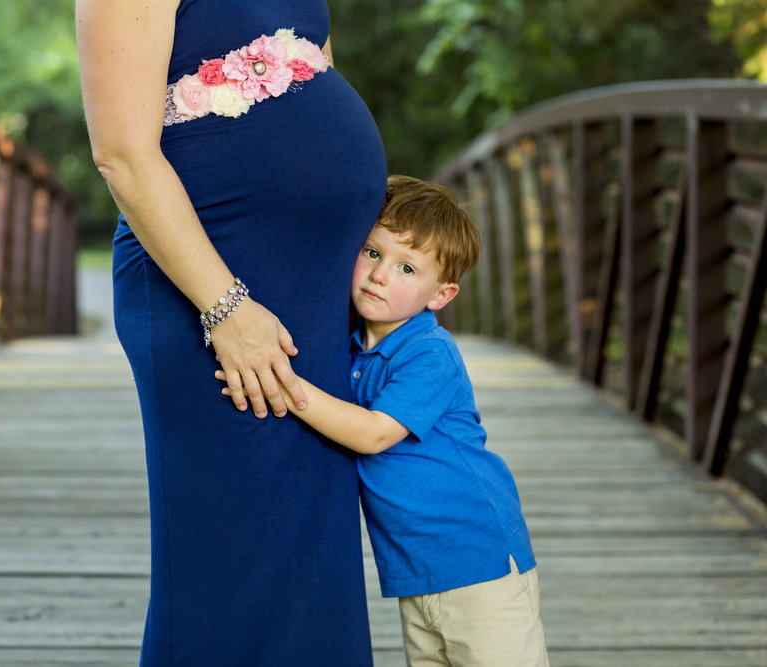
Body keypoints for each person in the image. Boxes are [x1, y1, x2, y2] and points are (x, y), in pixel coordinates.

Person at [75, 1, 386, 664]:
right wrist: (225, 308)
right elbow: (122, 155)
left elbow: (311, 76)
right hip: (210, 292)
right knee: (230, 565)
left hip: (313, 293)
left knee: (310, 552)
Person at [220, 176, 549, 666]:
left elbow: (374, 433)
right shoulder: (350, 348)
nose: (379, 275)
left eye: (407, 267)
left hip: (478, 563)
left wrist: (283, 383)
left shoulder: (428, 353)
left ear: (441, 295)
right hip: (417, 573)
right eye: (372, 253)